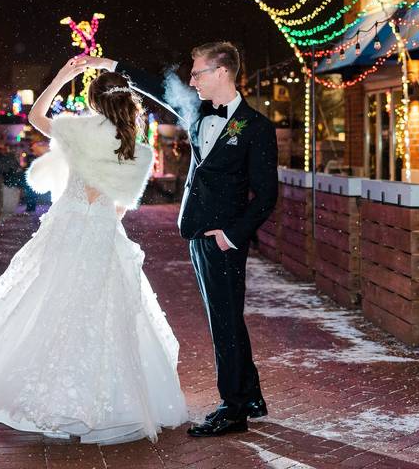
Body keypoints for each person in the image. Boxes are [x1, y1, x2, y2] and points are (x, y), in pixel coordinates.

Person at [0, 58, 188, 444]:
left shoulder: (76, 131)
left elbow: (37, 115)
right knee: (106, 316)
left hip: (66, 230)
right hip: (102, 234)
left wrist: (62, 76)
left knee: (48, 306)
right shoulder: (139, 151)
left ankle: (52, 401)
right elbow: (119, 206)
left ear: (94, 101)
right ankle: (105, 404)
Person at [78, 41, 278, 437]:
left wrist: (231, 235)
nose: (191, 80)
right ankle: (249, 395)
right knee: (226, 318)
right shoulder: (196, 111)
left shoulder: (256, 128)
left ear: (222, 72)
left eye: (198, 72)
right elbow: (154, 85)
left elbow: (267, 196)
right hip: (196, 232)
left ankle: (233, 409)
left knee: (223, 322)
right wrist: (109, 62)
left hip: (221, 240)